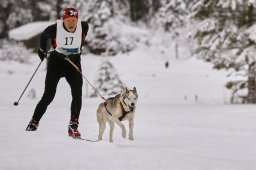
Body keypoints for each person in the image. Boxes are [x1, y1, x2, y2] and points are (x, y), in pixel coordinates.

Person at [26, 7, 89, 139]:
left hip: (73, 64)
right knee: (48, 95)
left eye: (74, 20)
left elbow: (80, 40)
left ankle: (73, 126)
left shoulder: (83, 26)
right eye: (68, 20)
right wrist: (42, 50)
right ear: (63, 20)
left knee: (77, 94)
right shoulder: (55, 28)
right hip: (56, 64)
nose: (72, 23)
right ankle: (33, 122)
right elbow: (44, 36)